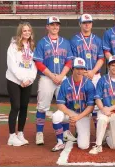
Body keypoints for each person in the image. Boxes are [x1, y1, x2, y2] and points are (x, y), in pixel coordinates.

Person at [33, 16, 75, 145]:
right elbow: (38, 62)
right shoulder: (42, 42)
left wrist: (61, 76)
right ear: (47, 27)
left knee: (66, 105)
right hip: (47, 77)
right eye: (52, 25)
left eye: (57, 25)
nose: (55, 27)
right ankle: (39, 133)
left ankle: (66, 132)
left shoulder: (65, 42)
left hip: (62, 77)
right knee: (42, 107)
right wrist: (52, 76)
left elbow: (70, 61)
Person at [51, 58, 95, 152]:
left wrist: (77, 117)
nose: (79, 71)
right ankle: (60, 142)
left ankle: (79, 132)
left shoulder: (89, 84)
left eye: (82, 68)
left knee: (84, 146)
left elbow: (91, 107)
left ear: (84, 70)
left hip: (83, 114)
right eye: (77, 68)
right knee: (56, 116)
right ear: (72, 69)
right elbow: (60, 104)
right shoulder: (65, 83)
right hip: (69, 112)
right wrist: (71, 116)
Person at [88, 56, 115, 154]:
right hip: (104, 111)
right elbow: (97, 98)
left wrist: (109, 108)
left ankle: (106, 135)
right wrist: (103, 109)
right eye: (112, 65)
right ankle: (98, 145)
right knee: (102, 119)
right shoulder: (102, 80)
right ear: (108, 66)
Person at [70, 14, 104, 129]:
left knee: (96, 105)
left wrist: (93, 71)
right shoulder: (74, 40)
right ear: (80, 24)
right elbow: (73, 60)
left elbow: (101, 58)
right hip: (81, 76)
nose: (87, 24)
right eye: (84, 22)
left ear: (92, 24)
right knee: (81, 102)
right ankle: (79, 130)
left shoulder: (97, 40)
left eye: (89, 22)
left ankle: (98, 130)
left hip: (95, 75)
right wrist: (84, 73)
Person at [6, 22, 37, 146]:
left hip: (27, 81)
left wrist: (30, 79)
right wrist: (22, 79)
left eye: (29, 30)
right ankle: (11, 136)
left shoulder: (32, 46)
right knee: (16, 106)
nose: (27, 32)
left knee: (24, 107)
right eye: (24, 31)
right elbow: (12, 65)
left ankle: (20, 133)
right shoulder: (13, 45)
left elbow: (34, 65)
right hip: (14, 80)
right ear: (20, 32)